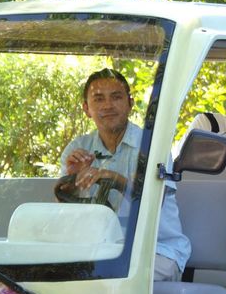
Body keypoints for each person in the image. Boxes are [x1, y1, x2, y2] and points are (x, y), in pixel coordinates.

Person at [60, 68, 190, 282]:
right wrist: (71, 180)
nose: (108, 106)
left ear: (130, 103)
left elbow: (152, 204)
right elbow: (62, 207)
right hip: (99, 252)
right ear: (86, 109)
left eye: (116, 97)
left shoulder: (152, 146)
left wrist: (115, 180)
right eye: (98, 99)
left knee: (108, 278)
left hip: (156, 251)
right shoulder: (77, 149)